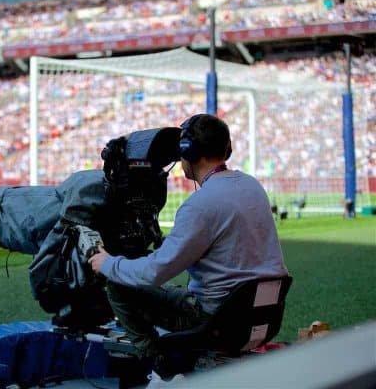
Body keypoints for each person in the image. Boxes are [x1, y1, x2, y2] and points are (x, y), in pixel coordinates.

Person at [88, 113, 289, 380]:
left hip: (216, 320)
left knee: (117, 284)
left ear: (188, 151)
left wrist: (106, 263)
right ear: (227, 149)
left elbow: (153, 272)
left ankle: (158, 358)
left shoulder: (200, 204)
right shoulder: (252, 185)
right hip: (263, 313)